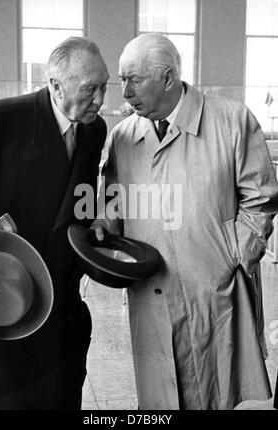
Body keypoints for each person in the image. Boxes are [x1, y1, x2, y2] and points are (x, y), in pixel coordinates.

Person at [92, 33, 278, 410]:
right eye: (122, 80)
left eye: (134, 79)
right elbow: (115, 202)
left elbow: (261, 198)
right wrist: (104, 227)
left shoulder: (231, 121)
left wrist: (233, 254)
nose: (124, 92)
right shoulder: (123, 136)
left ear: (167, 77)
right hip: (151, 289)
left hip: (213, 286)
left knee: (213, 388)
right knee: (161, 395)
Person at [0, 36, 109, 409]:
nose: (101, 101)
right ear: (55, 85)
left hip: (64, 306)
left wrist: (95, 219)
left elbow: (78, 197)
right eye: (90, 90)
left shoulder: (94, 130)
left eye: (104, 87)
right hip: (7, 299)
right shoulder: (0, 120)